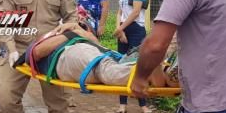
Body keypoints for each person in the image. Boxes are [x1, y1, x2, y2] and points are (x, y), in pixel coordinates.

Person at [18, 22, 178, 88]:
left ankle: (165, 71)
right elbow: (37, 53)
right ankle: (151, 69)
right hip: (66, 58)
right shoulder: (48, 37)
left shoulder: (83, 36)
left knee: (123, 58)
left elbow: (97, 44)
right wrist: (72, 34)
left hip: (95, 54)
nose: (81, 26)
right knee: (103, 67)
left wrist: (81, 31)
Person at [114, 0, 152, 113]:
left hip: (136, 30)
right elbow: (119, 12)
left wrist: (121, 28)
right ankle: (122, 105)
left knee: (137, 67)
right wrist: (119, 30)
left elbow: (136, 11)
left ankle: (143, 105)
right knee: (122, 65)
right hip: (123, 29)